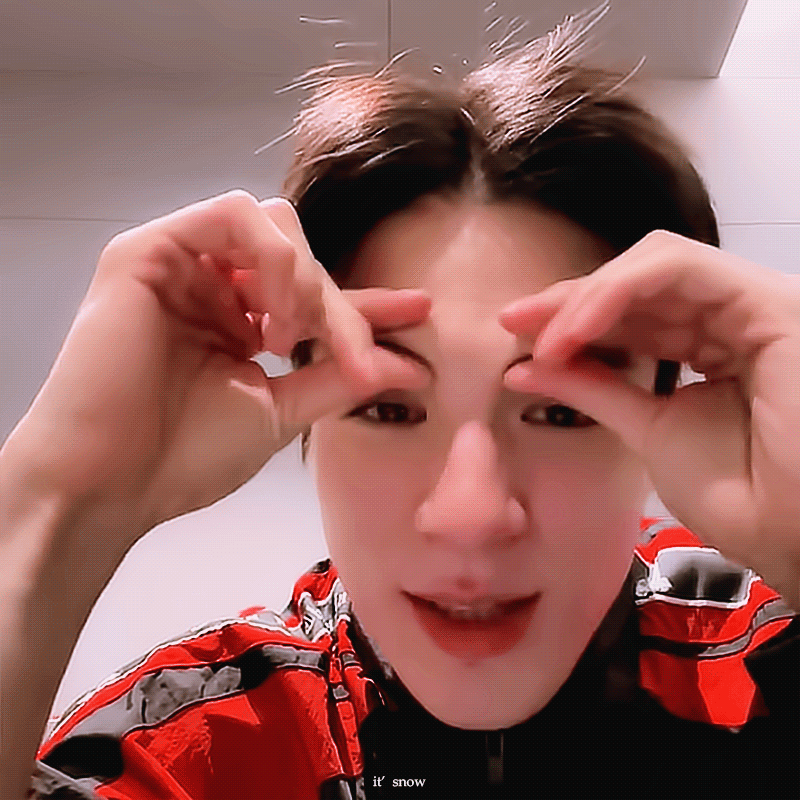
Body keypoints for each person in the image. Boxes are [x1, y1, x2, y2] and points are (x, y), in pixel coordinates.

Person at [2, 12, 799, 800]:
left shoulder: (760, 654)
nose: (471, 516)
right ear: (310, 429)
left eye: (561, 411)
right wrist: (56, 504)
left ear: (663, 413)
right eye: (387, 406)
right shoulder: (200, 747)